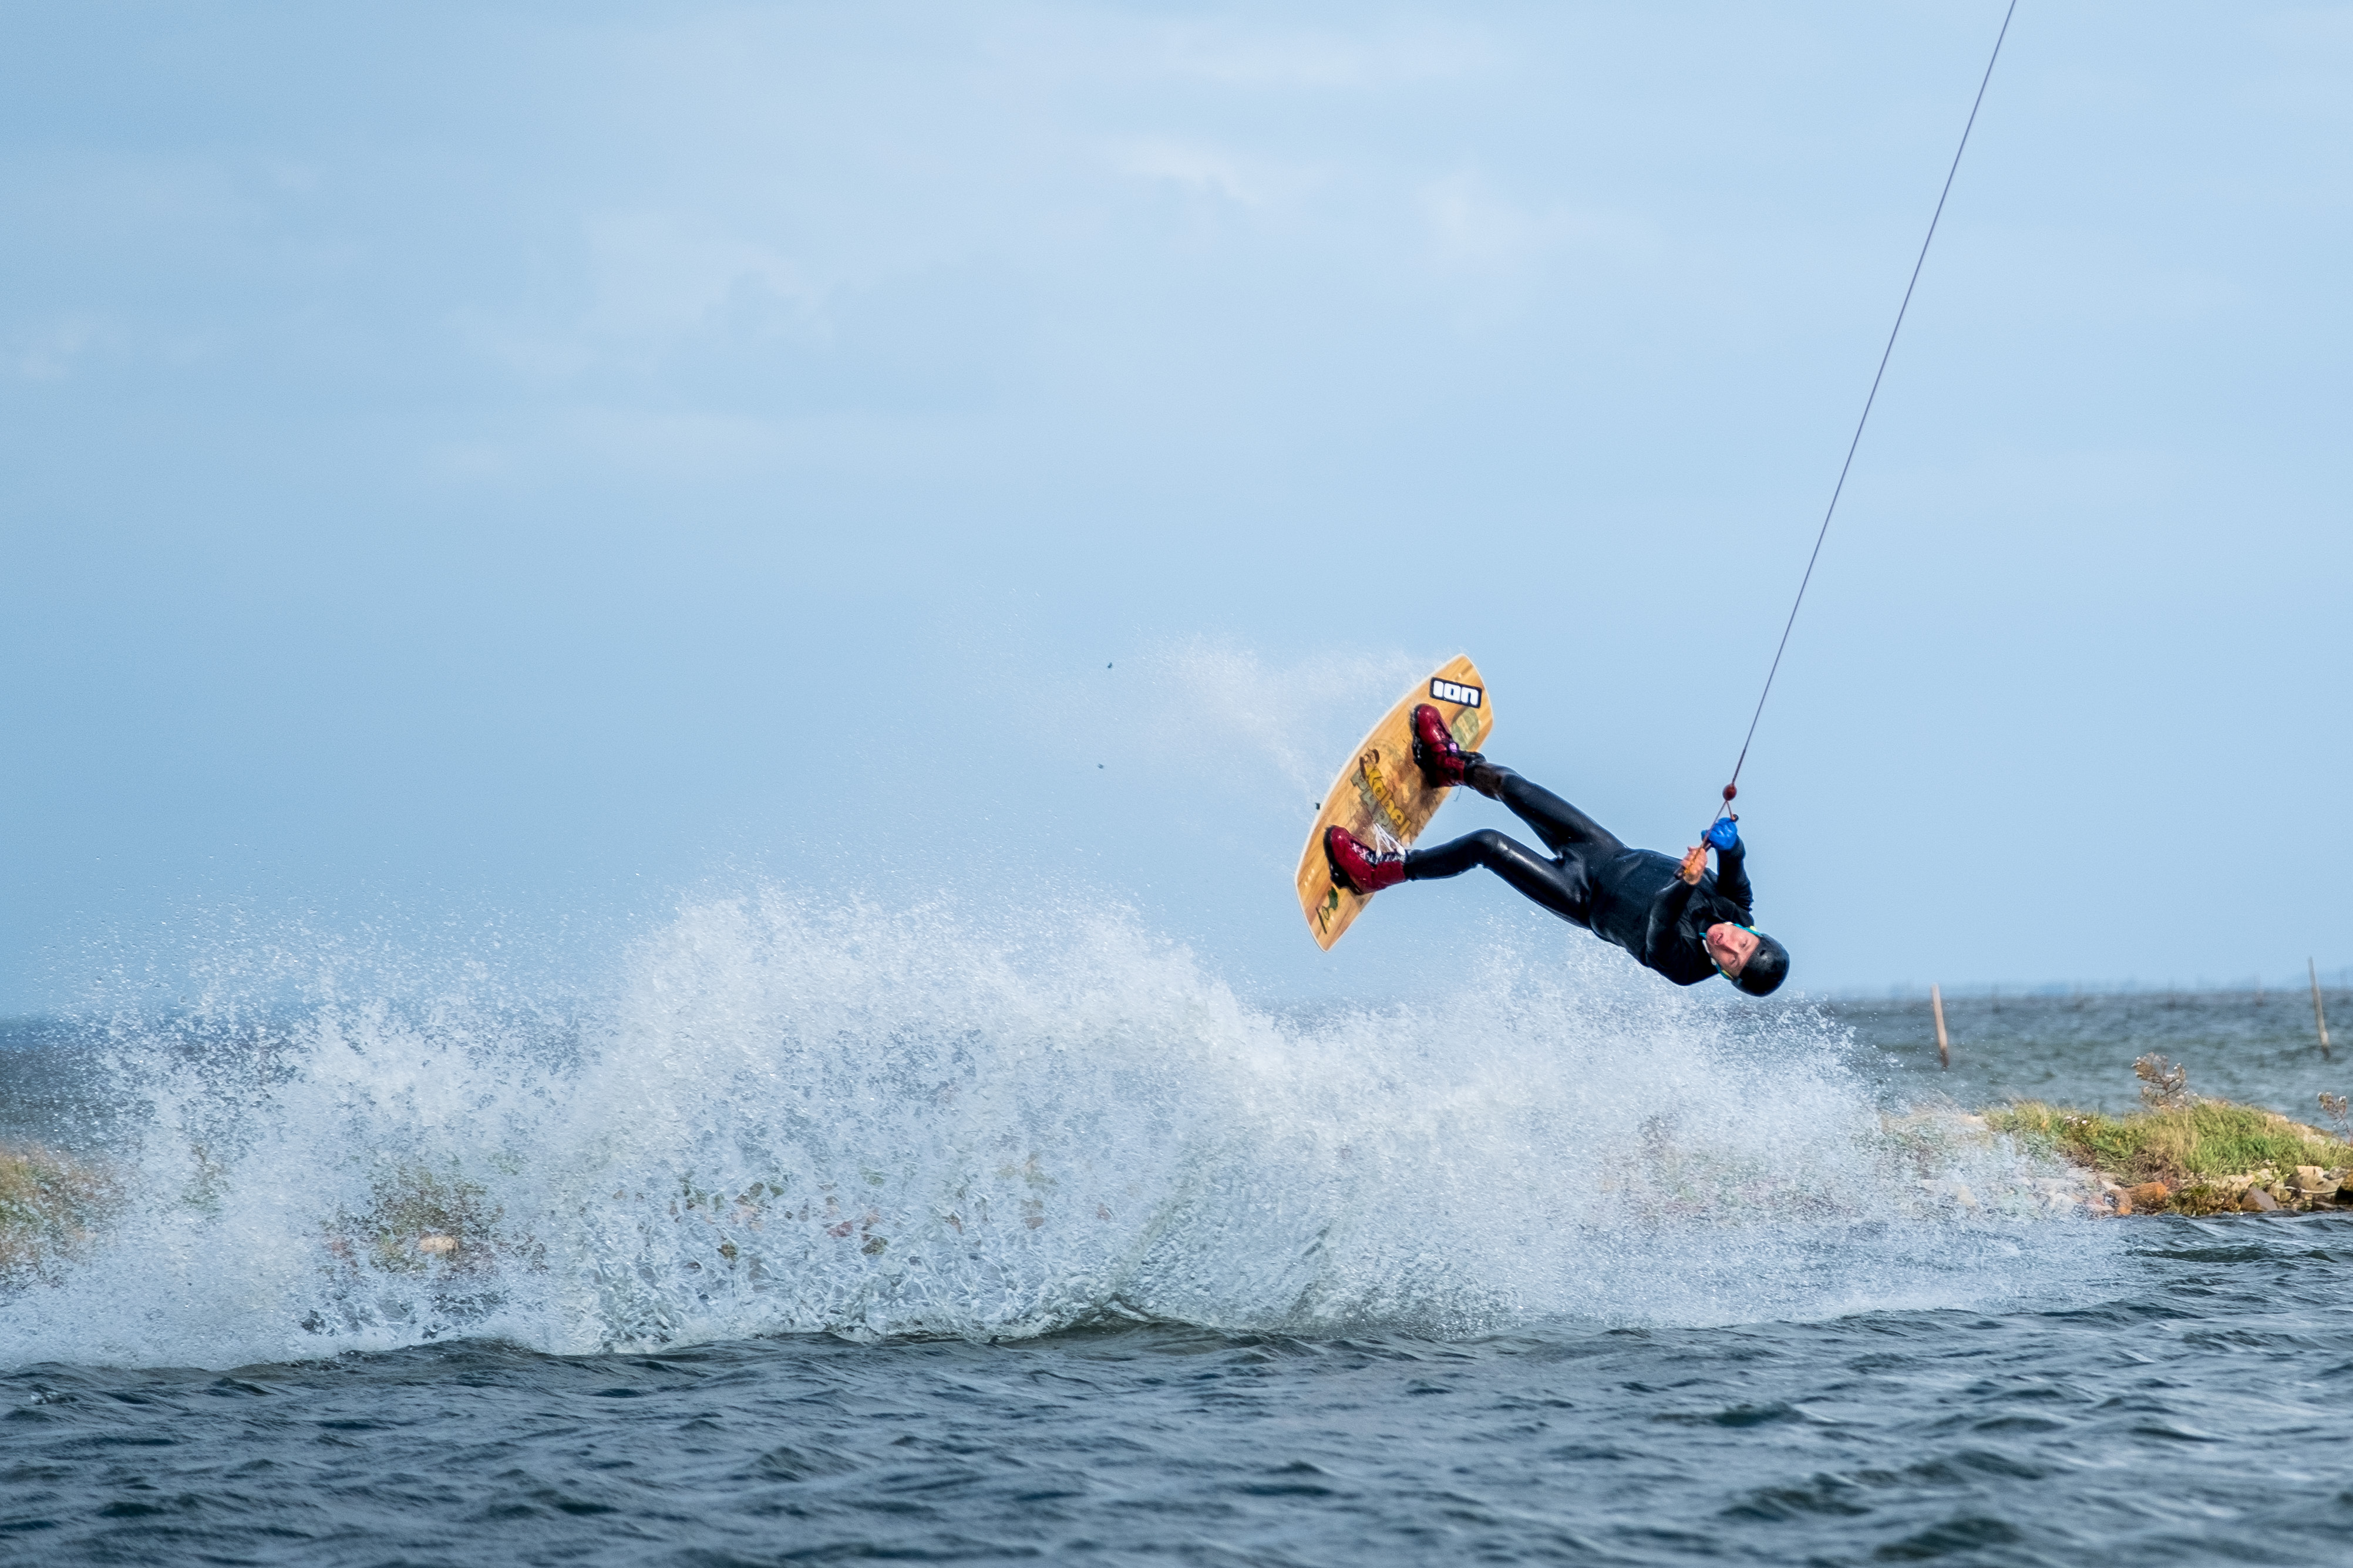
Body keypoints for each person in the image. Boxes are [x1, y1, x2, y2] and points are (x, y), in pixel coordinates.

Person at [1324, 706, 1790, 996]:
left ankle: (1379, 873)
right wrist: (1731, 844)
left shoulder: (1686, 969)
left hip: (1581, 897)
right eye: (1742, 941)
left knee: (1487, 845)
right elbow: (1735, 867)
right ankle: (1450, 765)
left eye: (1732, 959)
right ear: (1751, 930)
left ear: (1726, 975)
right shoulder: (1736, 907)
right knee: (1512, 786)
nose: (1728, 943)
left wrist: (1684, 882)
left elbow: (1660, 922)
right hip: (1606, 851)